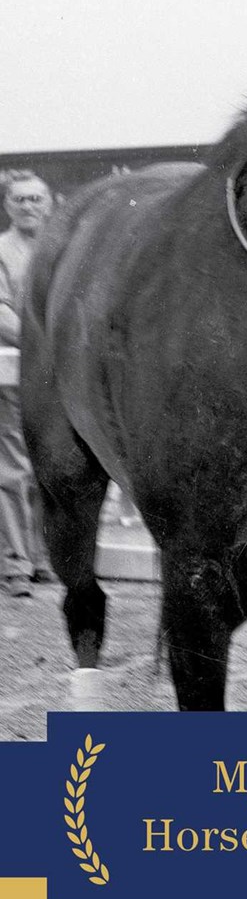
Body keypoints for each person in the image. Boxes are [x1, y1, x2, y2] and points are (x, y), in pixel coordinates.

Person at [0, 172, 54, 596]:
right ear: (7, 205)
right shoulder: (1, 250)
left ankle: (43, 558)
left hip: (56, 375)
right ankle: (15, 563)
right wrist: (42, 345)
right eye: (20, 199)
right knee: (14, 468)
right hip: (15, 372)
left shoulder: (60, 247)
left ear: (49, 202)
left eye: (35, 198)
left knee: (50, 466)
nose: (28, 206)